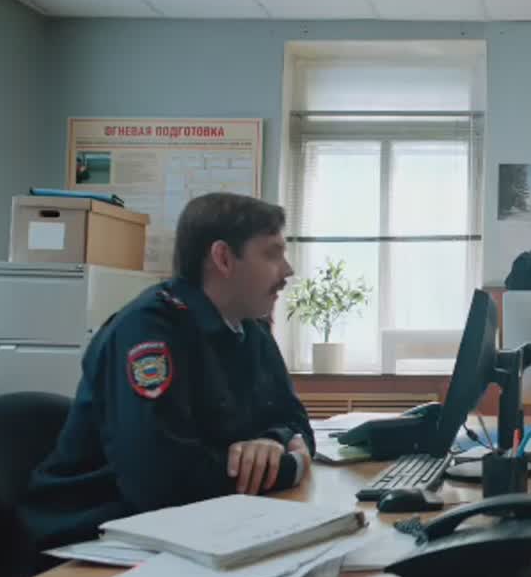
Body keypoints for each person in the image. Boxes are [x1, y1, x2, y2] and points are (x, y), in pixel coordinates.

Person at [20, 192, 316, 556]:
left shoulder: (250, 328)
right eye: (272, 254)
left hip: (192, 524)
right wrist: (290, 465)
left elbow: (295, 421)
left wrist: (272, 440)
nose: (287, 271)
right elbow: (162, 482)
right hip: (97, 531)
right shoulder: (149, 331)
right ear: (223, 258)